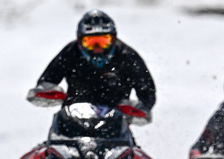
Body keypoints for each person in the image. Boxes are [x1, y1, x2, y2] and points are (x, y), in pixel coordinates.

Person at [27, 9, 156, 125]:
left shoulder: (127, 56)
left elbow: (147, 90)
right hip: (72, 120)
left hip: (115, 122)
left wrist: (139, 108)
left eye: (103, 42)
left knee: (130, 151)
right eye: (90, 43)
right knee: (50, 148)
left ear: (113, 39)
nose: (97, 49)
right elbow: (47, 80)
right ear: (80, 41)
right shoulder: (70, 52)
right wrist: (48, 92)